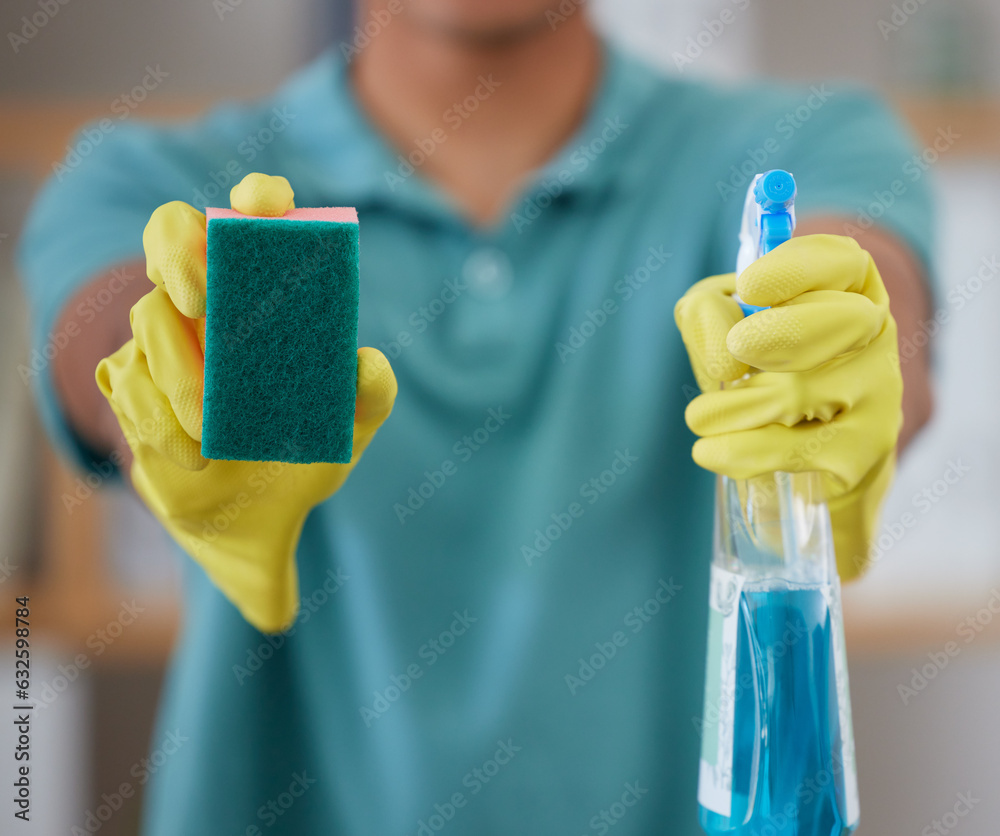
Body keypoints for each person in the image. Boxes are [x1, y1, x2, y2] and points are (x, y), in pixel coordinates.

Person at [19, 1, 934, 833]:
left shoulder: (807, 141)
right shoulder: (143, 175)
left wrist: (841, 355)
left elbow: (864, 272)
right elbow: (102, 329)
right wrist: (169, 389)